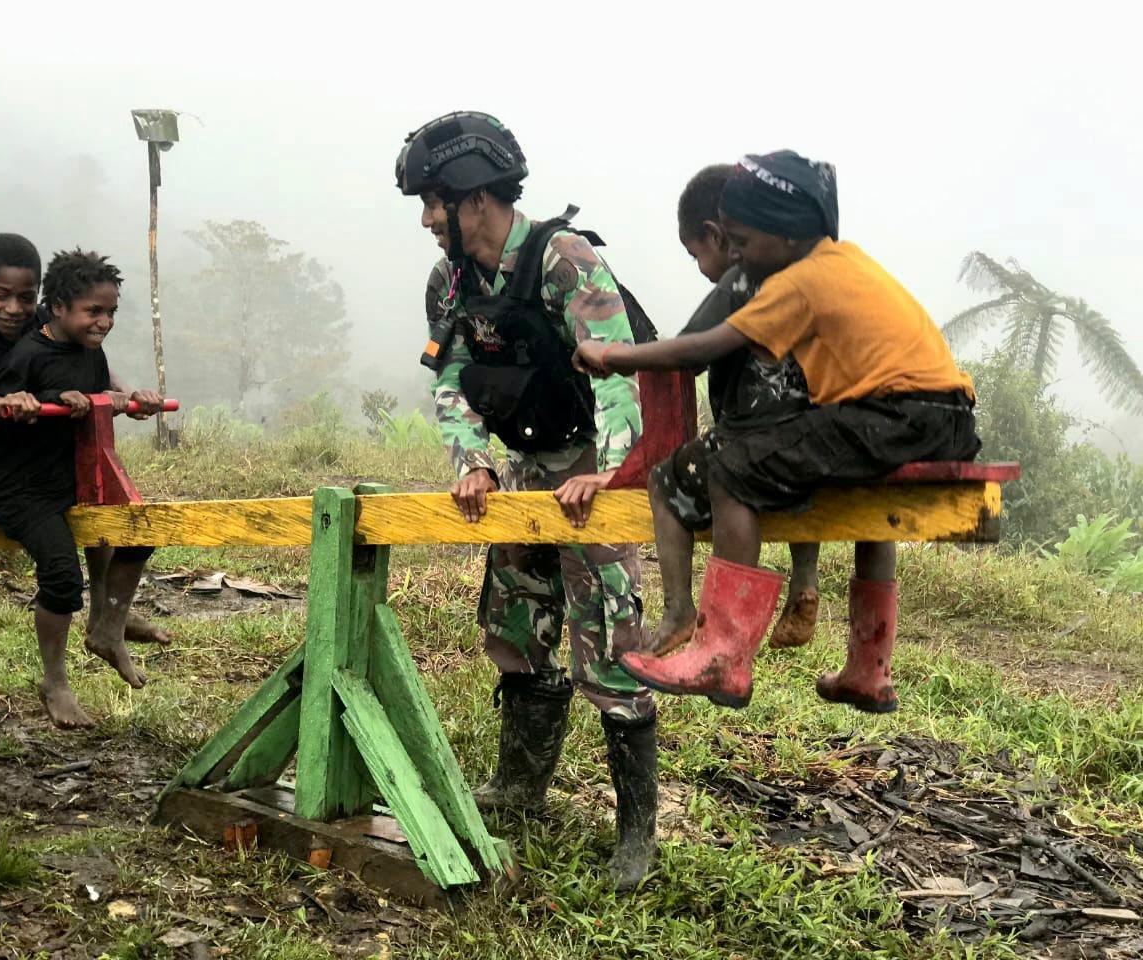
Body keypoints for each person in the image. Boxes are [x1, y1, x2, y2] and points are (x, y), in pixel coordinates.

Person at [574, 151, 980, 713]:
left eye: (742, 241)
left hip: (893, 416)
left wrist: (615, 354)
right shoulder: (845, 261)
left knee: (732, 466)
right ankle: (869, 669)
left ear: (785, 234)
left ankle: (723, 654)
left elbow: (704, 347)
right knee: (867, 501)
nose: (737, 255)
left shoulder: (799, 281)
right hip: (947, 418)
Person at [396, 111, 656, 889]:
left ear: (475, 197)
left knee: (609, 638)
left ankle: (635, 839)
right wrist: (473, 460)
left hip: (592, 464)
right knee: (517, 619)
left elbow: (618, 373)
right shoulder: (451, 281)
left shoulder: (562, 260)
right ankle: (519, 790)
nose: (426, 219)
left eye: (434, 201)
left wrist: (609, 472)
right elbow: (449, 378)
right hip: (523, 469)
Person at [0, 235, 167, 740]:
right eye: (0, 295)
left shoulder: (54, 327)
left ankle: (107, 622)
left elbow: (96, 372)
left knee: (107, 518)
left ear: (43, 297)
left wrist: (127, 398)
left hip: (32, 463)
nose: (13, 308)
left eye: (25, 296)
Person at [0, 249, 162, 729]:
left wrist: (128, 399)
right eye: (94, 312)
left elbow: (104, 392)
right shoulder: (28, 355)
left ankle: (108, 629)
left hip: (71, 482)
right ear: (57, 307)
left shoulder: (90, 354)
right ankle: (54, 681)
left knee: (141, 531)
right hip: (21, 490)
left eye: (111, 312)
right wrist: (42, 400)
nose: (104, 322)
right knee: (61, 577)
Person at [650, 164, 820, 659]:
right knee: (792, 472)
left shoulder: (739, 284)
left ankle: (680, 612)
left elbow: (687, 350)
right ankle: (804, 579)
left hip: (750, 446)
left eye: (696, 254)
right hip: (815, 447)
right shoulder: (802, 276)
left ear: (716, 234)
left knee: (667, 481)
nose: (701, 266)